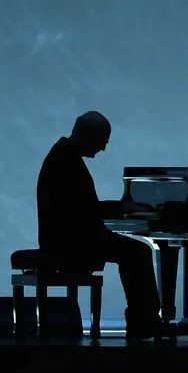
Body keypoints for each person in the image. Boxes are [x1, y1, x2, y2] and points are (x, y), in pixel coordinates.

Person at [36, 110, 165, 339]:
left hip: (69, 236)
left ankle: (144, 320)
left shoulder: (63, 156)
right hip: (71, 241)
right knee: (138, 253)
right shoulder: (66, 161)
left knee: (134, 251)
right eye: (103, 140)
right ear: (88, 135)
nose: (103, 148)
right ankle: (144, 322)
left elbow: (81, 207)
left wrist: (119, 208)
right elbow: (80, 210)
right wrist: (122, 207)